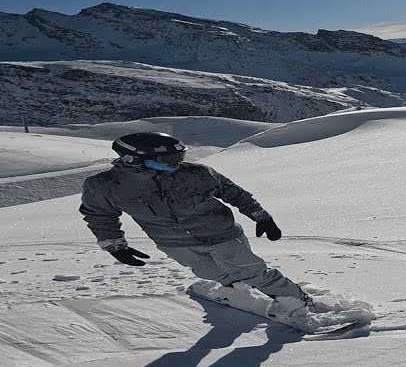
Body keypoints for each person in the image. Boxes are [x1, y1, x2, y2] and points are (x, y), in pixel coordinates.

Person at [79, 132, 316, 325]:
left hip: (221, 234)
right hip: (174, 242)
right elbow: (99, 215)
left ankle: (296, 302)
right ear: (133, 158)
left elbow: (233, 192)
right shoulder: (105, 186)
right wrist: (115, 246)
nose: (176, 164)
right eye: (167, 160)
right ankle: (237, 293)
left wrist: (260, 216)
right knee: (212, 273)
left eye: (178, 157)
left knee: (252, 272)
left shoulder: (196, 173)